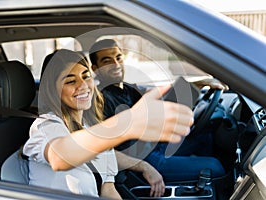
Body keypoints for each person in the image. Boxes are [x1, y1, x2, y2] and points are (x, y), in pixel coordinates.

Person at [23, 49, 194, 198]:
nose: (83, 85)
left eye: (86, 76)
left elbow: (108, 188)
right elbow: (59, 156)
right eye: (70, 81)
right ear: (52, 89)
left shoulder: (88, 127)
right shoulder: (45, 126)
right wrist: (126, 124)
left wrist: (143, 166)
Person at [89, 39, 226, 191]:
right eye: (107, 60)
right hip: (143, 160)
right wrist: (145, 167)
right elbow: (102, 151)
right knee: (216, 167)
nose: (115, 64)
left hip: (154, 146)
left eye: (118, 57)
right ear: (95, 68)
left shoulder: (125, 88)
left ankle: (198, 184)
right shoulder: (100, 100)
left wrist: (203, 82)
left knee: (203, 136)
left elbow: (162, 91)